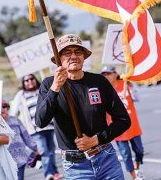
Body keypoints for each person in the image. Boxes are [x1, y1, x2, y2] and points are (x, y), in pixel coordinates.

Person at [36, 34, 131, 180]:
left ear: (84, 57)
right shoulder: (49, 84)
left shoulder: (99, 81)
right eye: (67, 53)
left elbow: (124, 120)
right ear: (59, 59)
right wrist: (55, 87)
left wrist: (97, 139)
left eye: (78, 52)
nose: (73, 56)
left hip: (106, 159)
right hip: (75, 167)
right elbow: (40, 121)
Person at [10, 74, 60, 180]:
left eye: (31, 79)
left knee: (51, 150)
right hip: (34, 129)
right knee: (44, 151)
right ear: (23, 83)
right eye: (26, 80)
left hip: (49, 126)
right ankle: (48, 174)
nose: (29, 81)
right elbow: (13, 111)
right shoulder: (21, 95)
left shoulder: (42, 90)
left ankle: (54, 172)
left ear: (35, 80)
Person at [101, 66, 145, 180]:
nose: (107, 77)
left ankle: (137, 166)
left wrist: (132, 84)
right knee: (125, 154)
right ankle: (134, 176)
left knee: (139, 151)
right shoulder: (104, 90)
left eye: (109, 74)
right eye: (104, 75)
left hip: (133, 125)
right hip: (118, 129)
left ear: (115, 74)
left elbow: (137, 98)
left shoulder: (125, 84)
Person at [1, 99, 39, 180]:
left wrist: (35, 148)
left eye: (5, 106)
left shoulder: (15, 120)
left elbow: (26, 135)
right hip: (5, 159)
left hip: (19, 157)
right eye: (0, 107)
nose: (3, 109)